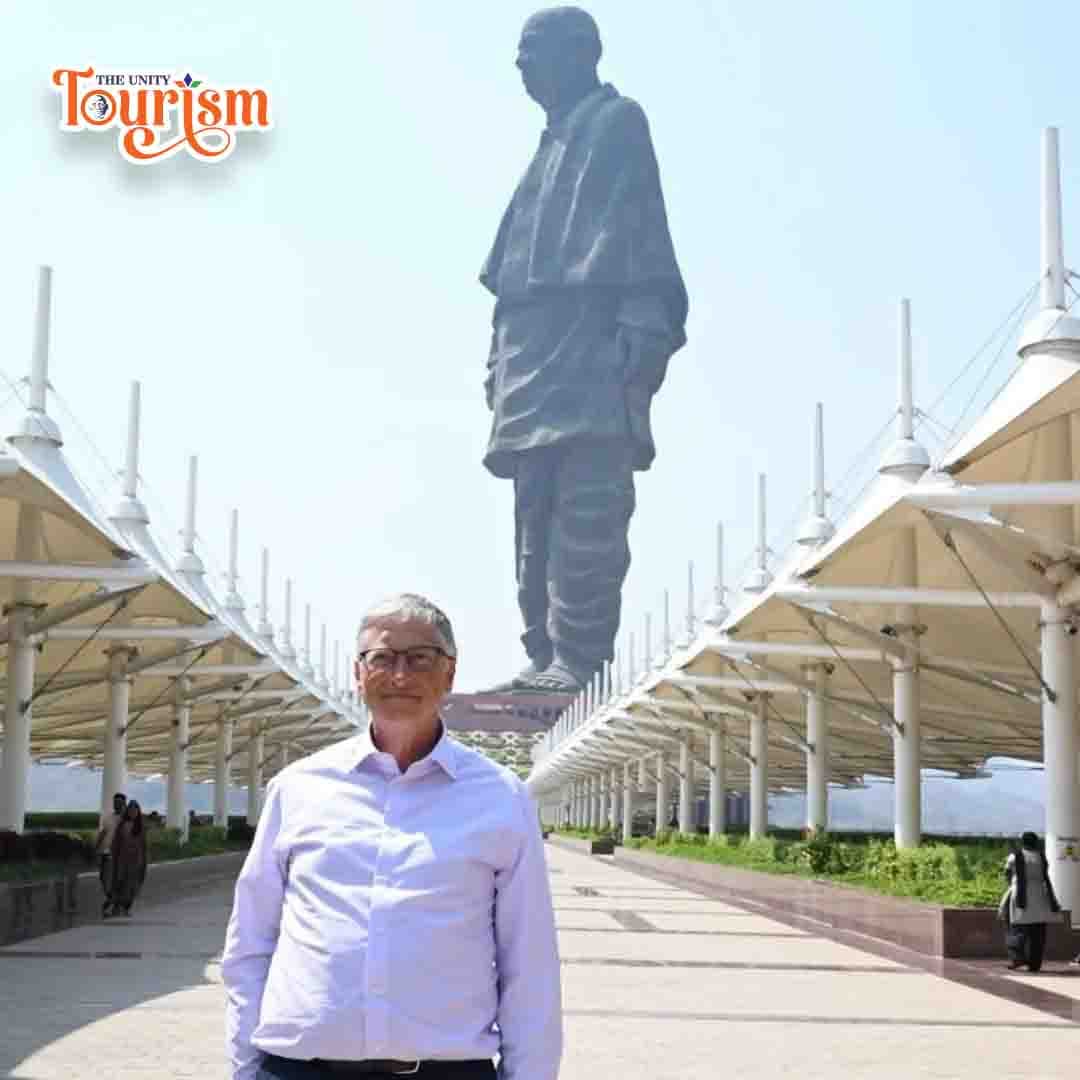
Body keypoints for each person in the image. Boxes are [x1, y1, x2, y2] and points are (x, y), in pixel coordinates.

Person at [222, 594, 562, 1080]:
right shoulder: (298, 789)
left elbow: (529, 965)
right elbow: (251, 943)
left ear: (450, 674)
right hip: (299, 1069)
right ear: (359, 675)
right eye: (382, 658)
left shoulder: (500, 797)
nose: (400, 675)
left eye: (420, 658)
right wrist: (244, 1069)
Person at [480, 7, 687, 694]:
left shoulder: (616, 122)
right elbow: (509, 272)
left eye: (531, 50)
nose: (518, 65)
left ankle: (578, 660)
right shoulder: (549, 146)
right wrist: (497, 359)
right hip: (531, 353)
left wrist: (643, 324)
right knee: (532, 513)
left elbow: (642, 232)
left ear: (579, 54)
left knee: (589, 505)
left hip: (591, 342)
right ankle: (543, 654)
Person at [1003, 831, 1061, 972]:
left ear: (1022, 842)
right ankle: (1035, 964)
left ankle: (1018, 959)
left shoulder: (1014, 856)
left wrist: (1011, 884)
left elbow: (1007, 873)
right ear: (1035, 843)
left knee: (1017, 928)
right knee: (1038, 932)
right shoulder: (1041, 857)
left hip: (1021, 894)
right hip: (1040, 894)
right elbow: (1045, 874)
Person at [109, 799, 148, 918]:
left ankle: (126, 907)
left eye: (135, 810)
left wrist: (143, 861)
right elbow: (115, 843)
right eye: (131, 810)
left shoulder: (140, 827)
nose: (133, 812)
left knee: (132, 885)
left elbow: (143, 846)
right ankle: (117, 907)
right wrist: (114, 856)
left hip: (136, 861)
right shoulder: (122, 825)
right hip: (122, 860)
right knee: (120, 883)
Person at [95, 791, 127, 917]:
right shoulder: (109, 817)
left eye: (119, 803)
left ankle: (114, 901)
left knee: (112, 879)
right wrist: (96, 847)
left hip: (117, 855)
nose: (116, 805)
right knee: (103, 878)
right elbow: (103, 833)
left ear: (124, 804)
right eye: (115, 803)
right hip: (104, 852)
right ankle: (112, 898)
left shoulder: (126, 819)